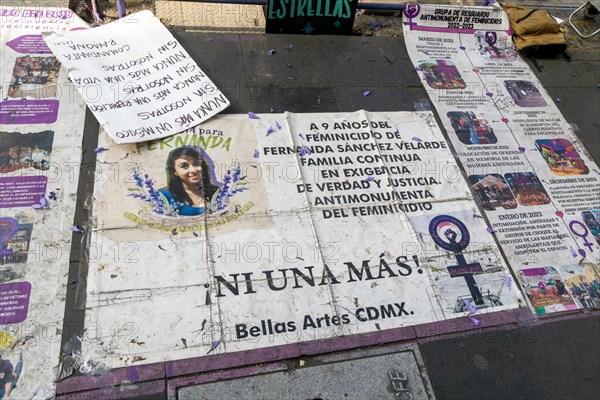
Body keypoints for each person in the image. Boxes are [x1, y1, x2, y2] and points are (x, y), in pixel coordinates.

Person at [160, 147, 219, 216]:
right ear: (175, 172)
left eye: (196, 164)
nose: (193, 170)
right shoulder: (164, 197)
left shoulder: (216, 193)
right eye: (184, 166)